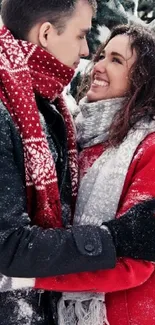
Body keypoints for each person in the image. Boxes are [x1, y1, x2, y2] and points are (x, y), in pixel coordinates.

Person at [0, 0, 155, 323]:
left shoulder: (144, 145)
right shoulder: (72, 131)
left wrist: (28, 278)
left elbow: (139, 255)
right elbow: (11, 241)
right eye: (100, 53)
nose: (91, 58)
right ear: (45, 33)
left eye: (115, 60)